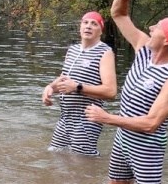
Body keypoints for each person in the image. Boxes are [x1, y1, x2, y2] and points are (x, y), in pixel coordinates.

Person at [85, 0, 168, 184]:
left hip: (147, 148)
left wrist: (106, 118)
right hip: (123, 141)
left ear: (167, 39)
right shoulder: (143, 48)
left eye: (158, 27)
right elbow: (117, 13)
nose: (151, 27)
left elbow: (152, 123)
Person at [41, 12, 117, 155]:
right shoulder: (72, 50)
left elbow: (111, 91)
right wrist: (50, 87)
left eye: (94, 24)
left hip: (86, 119)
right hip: (65, 117)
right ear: (80, 26)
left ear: (101, 31)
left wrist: (78, 87)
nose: (88, 26)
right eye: (85, 22)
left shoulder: (105, 52)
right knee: (55, 156)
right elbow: (64, 80)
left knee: (83, 164)